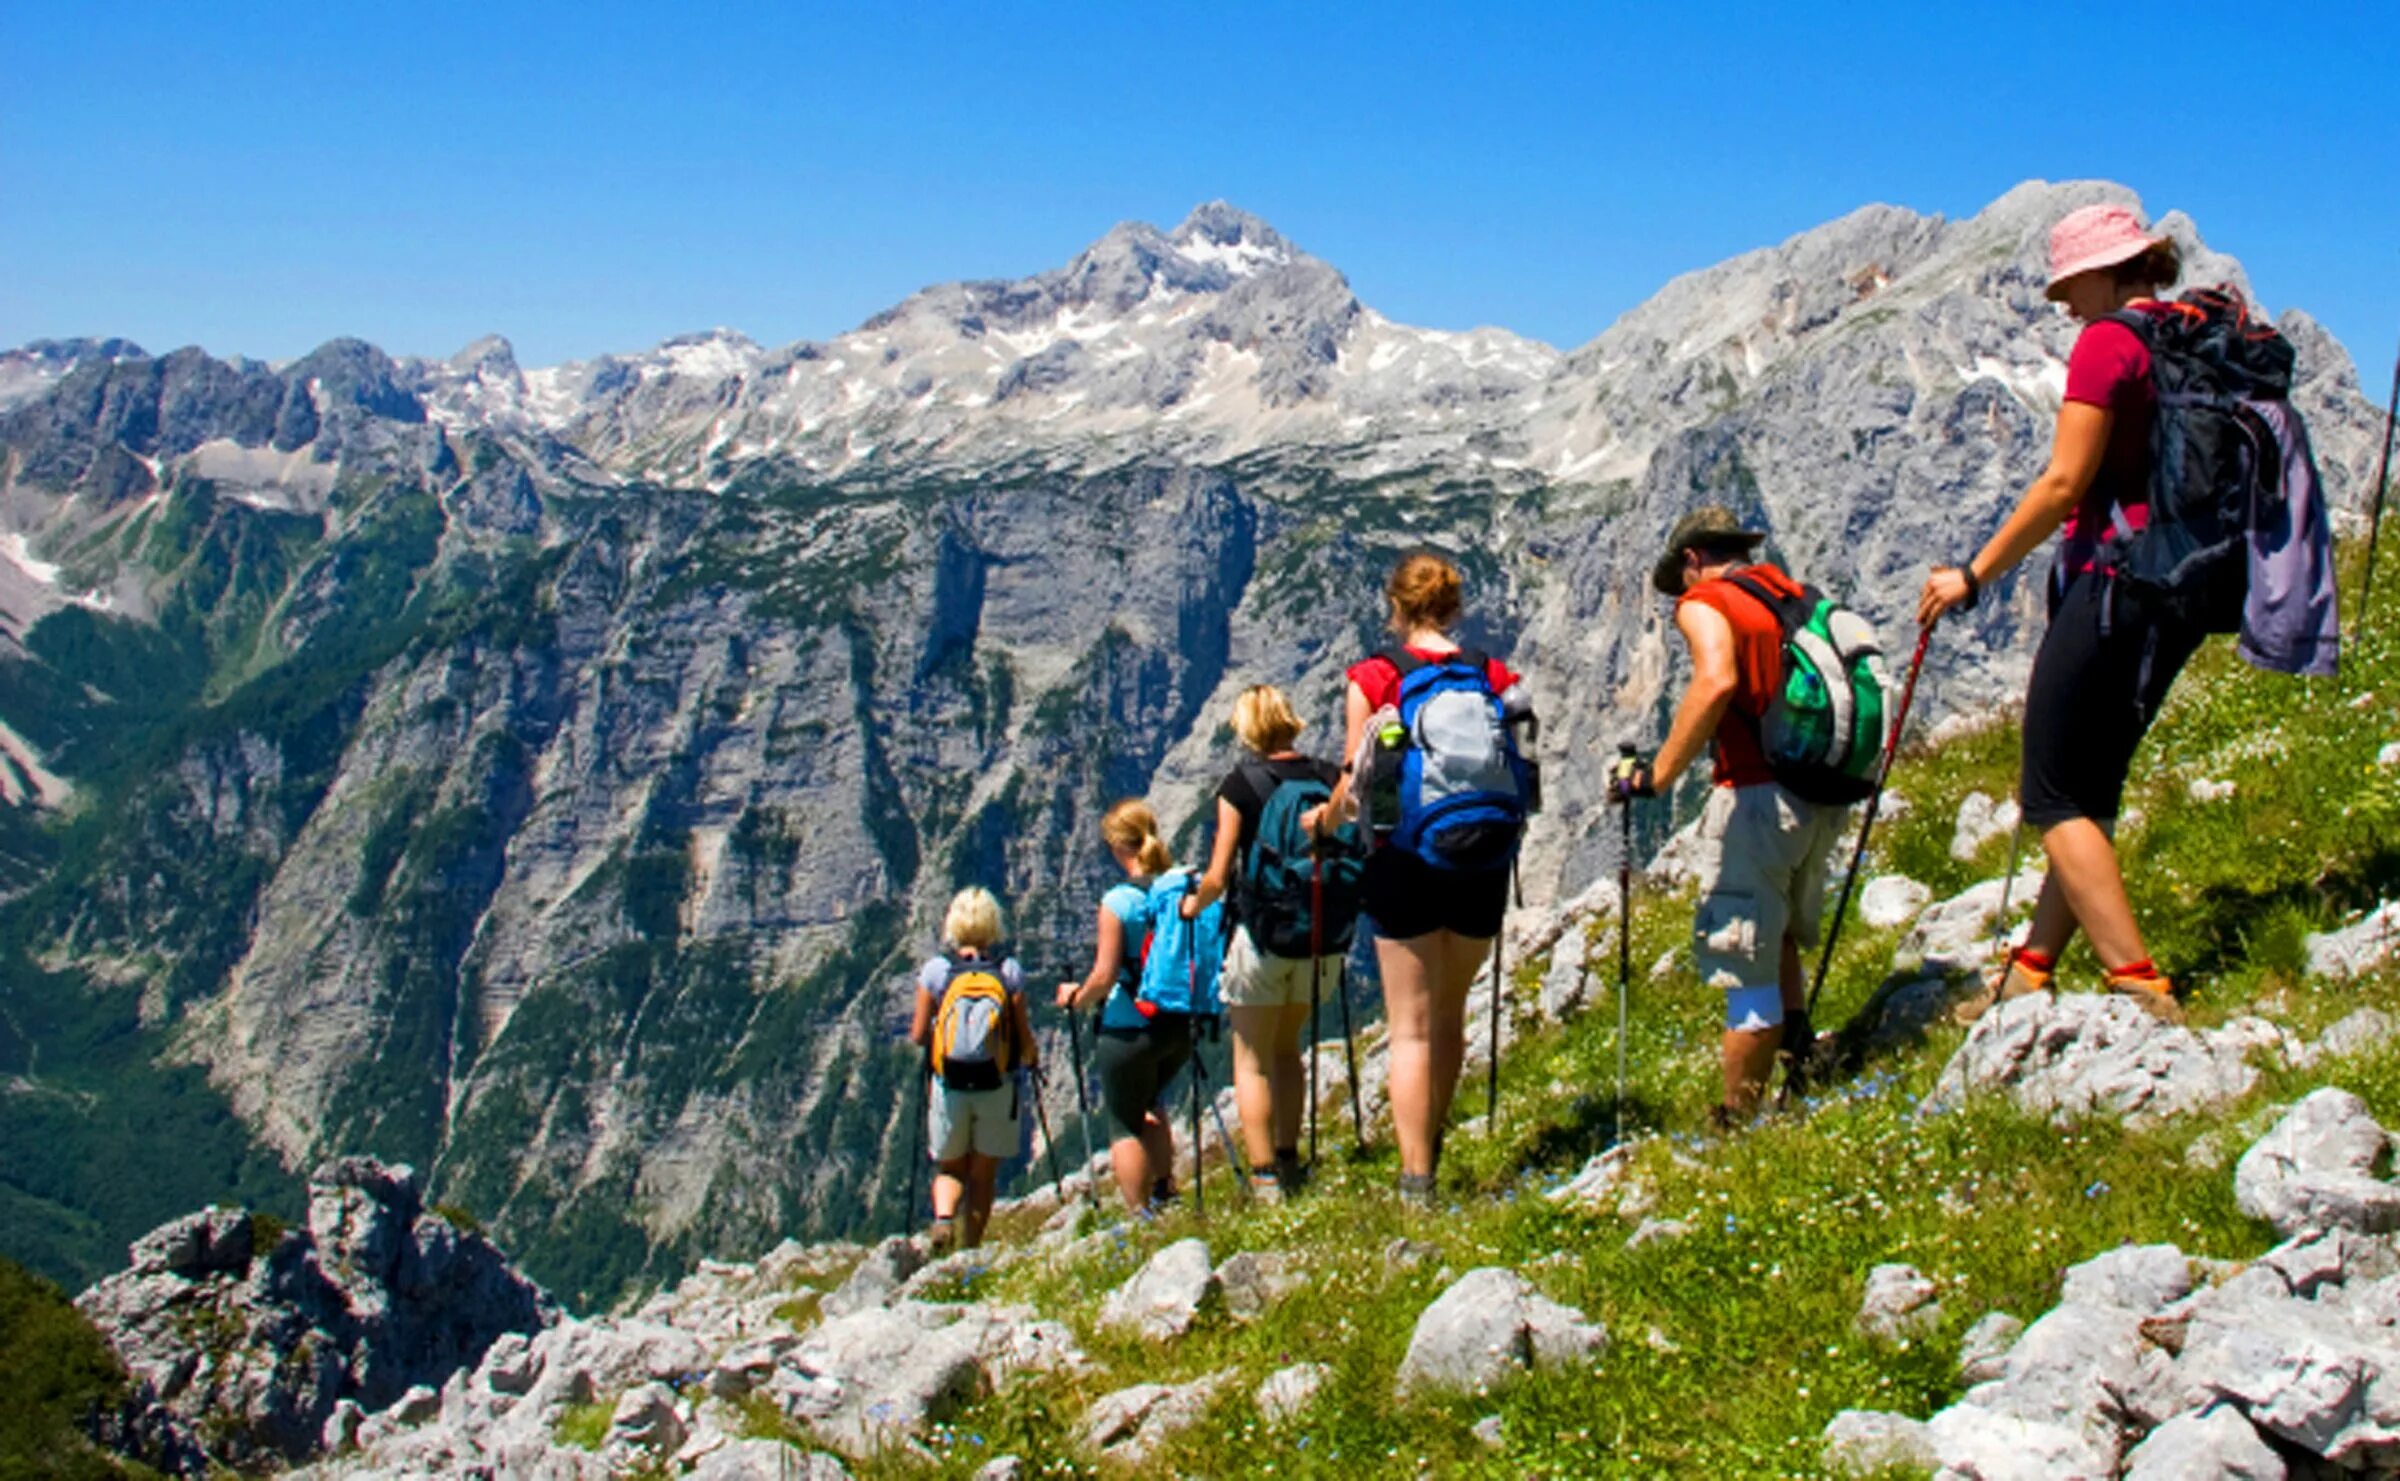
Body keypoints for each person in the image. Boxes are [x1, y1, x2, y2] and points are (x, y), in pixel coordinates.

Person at [1919, 202, 2194, 1025]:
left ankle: (2136, 983)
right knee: (2091, 785)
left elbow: (2064, 483)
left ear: (2114, 270)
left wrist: (1974, 573)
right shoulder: (2187, 334)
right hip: (2183, 583)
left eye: (2072, 283)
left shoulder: (2110, 342)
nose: (2064, 302)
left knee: (2049, 794)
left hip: (2116, 581)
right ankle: (2032, 966)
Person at [1613, 506, 1851, 1124]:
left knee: (1743, 954)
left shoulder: (1706, 601)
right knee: (1781, 938)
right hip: (1821, 793)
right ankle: (1802, 1062)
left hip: (1758, 799)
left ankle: (1737, 1126)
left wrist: (1658, 775)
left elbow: (1716, 681)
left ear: (1693, 559)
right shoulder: (1793, 596)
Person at [1318, 552, 1526, 1204]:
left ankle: (1416, 1181)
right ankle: (1432, 1143)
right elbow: (1528, 768)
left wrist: (1320, 821)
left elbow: (1353, 790)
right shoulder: (1495, 675)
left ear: (1397, 608)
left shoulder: (1373, 677)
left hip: (1402, 858)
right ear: (1456, 605)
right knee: (1450, 1014)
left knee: (1407, 1024)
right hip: (1484, 855)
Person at [1185, 684, 1343, 1202]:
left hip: (1263, 937)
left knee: (1250, 1058)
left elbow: (1217, 874)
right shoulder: (1327, 775)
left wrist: (1193, 906)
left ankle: (1264, 1177)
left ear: (1248, 730)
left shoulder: (1241, 784)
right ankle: (1291, 1159)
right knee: (1286, 1051)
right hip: (1321, 936)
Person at [1056, 800, 1190, 1214]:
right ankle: (1165, 1190)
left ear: (1118, 845)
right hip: (1178, 1023)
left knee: (1124, 1121)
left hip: (1129, 1027)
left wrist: (1075, 998)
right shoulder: (1180, 888)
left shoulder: (1118, 901)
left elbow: (1105, 975)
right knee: (1153, 1103)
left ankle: (1137, 1214)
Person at [907, 886, 1036, 1251]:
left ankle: (944, 1219)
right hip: (995, 1086)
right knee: (983, 1174)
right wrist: (1031, 1059)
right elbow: (1022, 1037)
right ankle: (971, 1250)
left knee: (950, 1167)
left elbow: (918, 1035)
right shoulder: (1008, 972)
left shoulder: (936, 972)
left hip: (950, 1084)